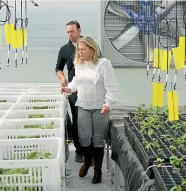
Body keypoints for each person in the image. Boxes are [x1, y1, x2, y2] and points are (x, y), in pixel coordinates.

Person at [60, 37, 118, 184]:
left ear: (92, 49)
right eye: (79, 50)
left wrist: (108, 103)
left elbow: (112, 87)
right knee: (84, 138)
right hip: (83, 105)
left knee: (98, 140)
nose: (80, 52)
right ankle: (87, 163)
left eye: (83, 49)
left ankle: (97, 172)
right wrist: (69, 88)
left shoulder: (104, 64)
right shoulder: (79, 63)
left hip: (100, 107)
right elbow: (75, 82)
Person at [55, 20, 83, 163]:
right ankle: (79, 150)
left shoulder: (89, 45)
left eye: (72, 31)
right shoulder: (65, 49)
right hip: (73, 89)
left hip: (90, 88)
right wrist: (62, 77)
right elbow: (58, 68)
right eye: (68, 32)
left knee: (88, 120)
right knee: (78, 118)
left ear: (79, 30)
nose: (70, 34)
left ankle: (89, 149)